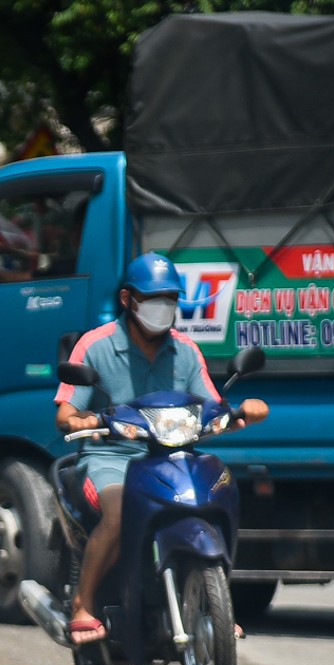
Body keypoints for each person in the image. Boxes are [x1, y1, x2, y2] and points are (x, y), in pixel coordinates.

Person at [55, 252, 270, 644]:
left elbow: (213, 408)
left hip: (173, 457)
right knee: (119, 513)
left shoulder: (185, 351)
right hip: (112, 458)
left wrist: (242, 413)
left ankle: (216, 605)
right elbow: (66, 411)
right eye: (154, 298)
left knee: (215, 497)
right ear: (127, 299)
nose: (163, 307)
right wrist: (80, 420)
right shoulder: (95, 345)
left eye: (170, 298)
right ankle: (82, 604)